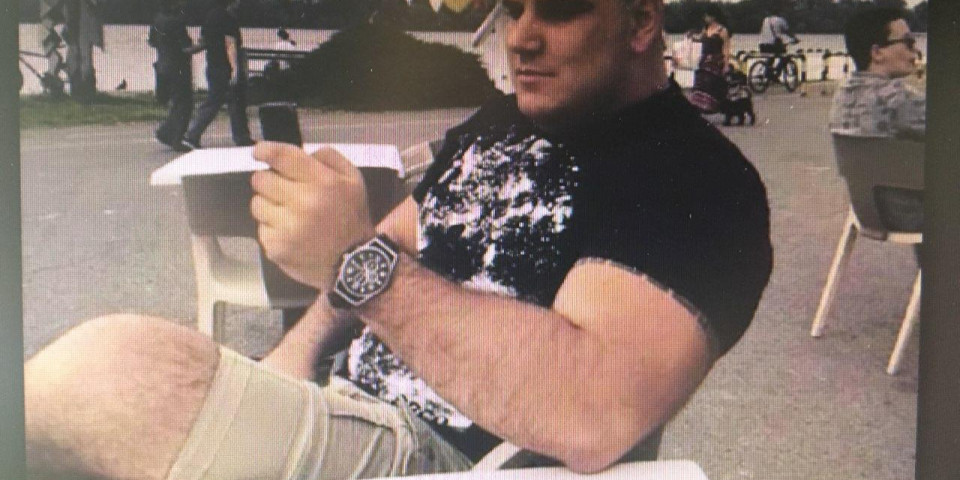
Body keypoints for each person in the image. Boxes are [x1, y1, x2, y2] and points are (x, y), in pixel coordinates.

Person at [24, 1, 773, 478]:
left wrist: (356, 262)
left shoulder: (698, 180)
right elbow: (389, 245)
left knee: (108, 377)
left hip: (448, 459)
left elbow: (594, 412)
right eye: (513, 8)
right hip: (346, 405)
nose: (522, 36)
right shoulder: (500, 121)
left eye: (557, 9)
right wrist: (292, 358)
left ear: (640, 22)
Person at [829, 7, 925, 233]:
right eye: (908, 42)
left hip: (867, 212)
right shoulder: (900, 99)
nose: (916, 51)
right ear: (877, 52)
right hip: (915, 215)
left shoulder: (842, 95)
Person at [182, 0, 254, 150]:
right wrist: (235, 69)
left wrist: (188, 51)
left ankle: (240, 136)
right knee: (230, 101)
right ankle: (193, 134)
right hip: (225, 65)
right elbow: (230, 45)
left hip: (212, 63)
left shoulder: (210, 17)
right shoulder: (228, 19)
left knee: (219, 100)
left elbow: (203, 41)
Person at [149, 0, 201, 153]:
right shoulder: (177, 22)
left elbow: (152, 42)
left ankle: (166, 132)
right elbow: (185, 48)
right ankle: (176, 138)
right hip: (178, 67)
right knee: (184, 103)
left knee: (176, 101)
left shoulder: (157, 19)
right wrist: (203, 45)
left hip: (162, 64)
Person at [686, 4, 732, 113]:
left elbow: (726, 49)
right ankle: (699, 105)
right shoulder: (705, 29)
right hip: (704, 59)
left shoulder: (722, 30)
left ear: (713, 16)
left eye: (707, 16)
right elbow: (700, 40)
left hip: (716, 60)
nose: (705, 18)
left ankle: (712, 106)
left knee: (712, 83)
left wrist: (726, 65)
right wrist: (692, 37)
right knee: (700, 82)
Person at [757, 6, 799, 79]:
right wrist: (795, 39)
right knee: (786, 57)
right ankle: (776, 72)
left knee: (771, 57)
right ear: (780, 12)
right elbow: (788, 31)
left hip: (762, 46)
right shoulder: (781, 20)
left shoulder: (766, 20)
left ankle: (767, 73)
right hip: (772, 46)